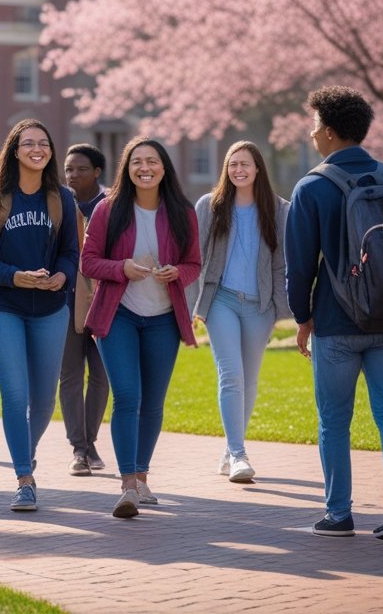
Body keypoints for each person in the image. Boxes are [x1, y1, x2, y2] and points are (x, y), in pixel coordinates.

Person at [285, 85, 383, 539]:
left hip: (336, 321)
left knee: (334, 420)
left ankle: (339, 514)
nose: (311, 132)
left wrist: (302, 317)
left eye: (314, 124)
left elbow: (300, 264)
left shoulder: (312, 186)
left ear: (327, 130)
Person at [80, 137, 200, 518]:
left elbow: (194, 263)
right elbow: (88, 262)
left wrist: (176, 272)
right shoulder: (108, 209)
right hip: (119, 316)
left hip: (163, 319)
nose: (144, 167)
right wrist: (122, 269)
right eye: (137, 162)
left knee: (153, 403)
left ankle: (143, 479)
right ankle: (128, 485)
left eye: (152, 161)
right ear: (127, 169)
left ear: (164, 168)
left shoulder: (181, 211)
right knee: (128, 397)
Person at [0, 118, 79, 512]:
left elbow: (70, 252)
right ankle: (24, 478)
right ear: (14, 151)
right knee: (15, 395)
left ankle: (23, 453)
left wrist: (62, 276)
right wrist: (16, 277)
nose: (37, 149)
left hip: (50, 308)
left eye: (44, 143)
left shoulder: (61, 199)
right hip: (3, 307)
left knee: (45, 400)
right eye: (29, 143)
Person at [191, 141, 289, 483]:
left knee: (249, 380)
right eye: (233, 164)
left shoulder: (279, 210)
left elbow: (281, 263)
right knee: (231, 375)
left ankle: (231, 448)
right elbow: (195, 260)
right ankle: (238, 453)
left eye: (245, 164)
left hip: (260, 305)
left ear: (258, 169)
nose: (238, 170)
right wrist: (195, 305)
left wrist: (280, 308)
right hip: (222, 301)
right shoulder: (209, 206)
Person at [59, 143, 110, 475]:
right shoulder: (59, 205)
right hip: (65, 302)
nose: (73, 175)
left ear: (96, 172)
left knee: (102, 376)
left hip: (105, 300)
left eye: (80, 169)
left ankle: (88, 442)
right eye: (68, 170)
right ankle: (80, 448)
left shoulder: (113, 205)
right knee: (70, 376)